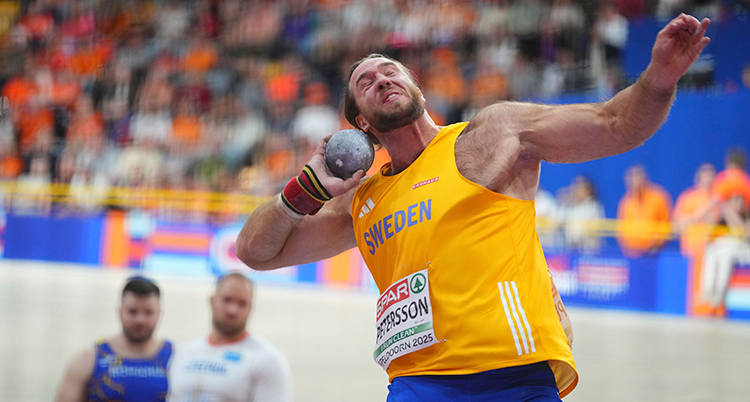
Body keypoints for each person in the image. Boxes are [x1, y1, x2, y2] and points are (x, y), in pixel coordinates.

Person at [235, 14, 710, 401]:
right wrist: (309, 187)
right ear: (360, 122)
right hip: (416, 382)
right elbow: (257, 252)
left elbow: (615, 124)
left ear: (415, 85)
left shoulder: (490, 134)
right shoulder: (360, 200)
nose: (381, 78)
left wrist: (659, 78)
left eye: (390, 70)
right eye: (365, 82)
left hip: (514, 375)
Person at [167, 273, 292, 402]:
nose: (233, 310)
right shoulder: (184, 352)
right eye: (227, 300)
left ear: (250, 309)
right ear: (212, 301)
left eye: (242, 304)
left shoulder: (266, 359)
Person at [56, 277, 172, 402]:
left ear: (159, 313)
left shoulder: (174, 358)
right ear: (120, 312)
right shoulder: (90, 358)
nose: (140, 320)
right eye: (133, 312)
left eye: (148, 312)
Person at [701, 193, 750, 310]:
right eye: (734, 200)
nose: (738, 204)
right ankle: (708, 290)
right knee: (711, 251)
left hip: (743, 250)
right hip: (724, 247)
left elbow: (744, 234)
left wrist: (731, 215)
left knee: (725, 253)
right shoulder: (722, 217)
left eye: (740, 200)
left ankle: (720, 294)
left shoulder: (747, 216)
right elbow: (709, 230)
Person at [616, 164, 673, 257]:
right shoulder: (626, 201)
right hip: (631, 252)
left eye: (637, 178)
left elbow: (666, 224)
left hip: (653, 252)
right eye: (631, 179)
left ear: (644, 179)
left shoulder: (658, 197)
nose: (634, 182)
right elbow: (621, 226)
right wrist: (626, 246)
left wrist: (657, 244)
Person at [672, 162, 717, 258]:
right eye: (705, 177)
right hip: (690, 252)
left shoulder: (717, 200)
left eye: (710, 176)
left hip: (712, 253)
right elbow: (676, 226)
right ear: (699, 178)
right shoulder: (688, 197)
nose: (708, 180)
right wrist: (699, 217)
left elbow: (714, 223)